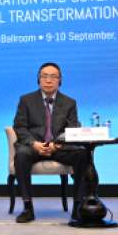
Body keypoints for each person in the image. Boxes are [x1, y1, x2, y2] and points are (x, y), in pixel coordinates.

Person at [11, 62, 91, 224]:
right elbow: (20, 127)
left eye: (53, 77)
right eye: (44, 76)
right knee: (21, 155)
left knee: (82, 154)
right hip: (34, 147)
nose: (48, 80)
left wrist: (56, 144)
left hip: (59, 147)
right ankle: (27, 207)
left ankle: (77, 206)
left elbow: (72, 128)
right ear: (38, 79)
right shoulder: (26, 100)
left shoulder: (69, 102)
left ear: (60, 80)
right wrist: (34, 144)